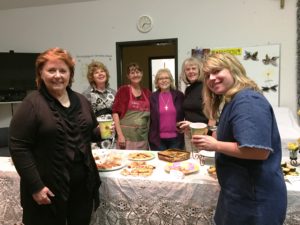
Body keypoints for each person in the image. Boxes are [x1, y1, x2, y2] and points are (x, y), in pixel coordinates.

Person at [9, 47, 102, 225]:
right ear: (41, 74)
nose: (57, 75)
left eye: (63, 70)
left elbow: (87, 134)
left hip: (82, 186)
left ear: (70, 74)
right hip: (48, 189)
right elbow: (19, 147)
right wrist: (36, 186)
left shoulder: (81, 101)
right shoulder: (32, 104)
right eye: (51, 70)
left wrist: (101, 132)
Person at [192, 52, 287, 225]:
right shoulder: (233, 100)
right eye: (207, 76)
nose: (211, 78)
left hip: (254, 201)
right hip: (239, 195)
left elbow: (258, 151)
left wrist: (216, 145)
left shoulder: (247, 100)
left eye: (217, 71)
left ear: (233, 70)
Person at [112, 62, 151, 150]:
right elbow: (115, 113)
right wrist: (120, 135)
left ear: (142, 74)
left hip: (142, 137)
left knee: (142, 162)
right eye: (132, 73)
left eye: (137, 72)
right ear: (128, 76)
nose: (135, 75)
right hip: (126, 138)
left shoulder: (147, 93)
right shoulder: (123, 90)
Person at [177, 57, 212, 151]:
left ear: (199, 70)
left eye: (193, 68)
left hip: (203, 134)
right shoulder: (188, 89)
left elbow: (213, 115)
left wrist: (208, 132)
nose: (190, 71)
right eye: (187, 69)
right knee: (192, 163)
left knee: (203, 162)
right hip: (189, 133)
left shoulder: (207, 87)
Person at [82, 61, 116, 149]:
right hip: (95, 136)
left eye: (102, 71)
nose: (100, 74)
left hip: (111, 135)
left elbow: (117, 114)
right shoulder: (86, 94)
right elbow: (84, 118)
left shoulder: (113, 93)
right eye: (96, 72)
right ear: (92, 77)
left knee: (112, 161)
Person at [149, 68, 184, 150]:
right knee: (159, 162)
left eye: (166, 78)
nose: (164, 80)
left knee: (175, 162)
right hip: (157, 140)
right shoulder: (152, 97)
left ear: (171, 80)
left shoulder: (179, 95)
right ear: (157, 82)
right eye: (160, 79)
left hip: (176, 139)